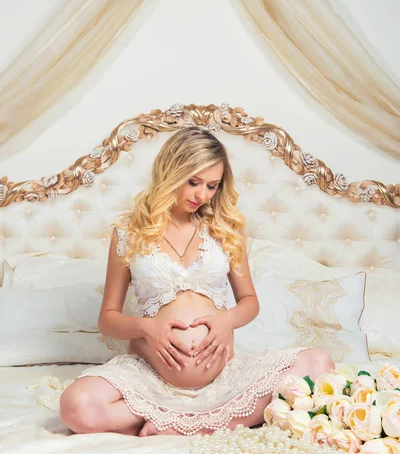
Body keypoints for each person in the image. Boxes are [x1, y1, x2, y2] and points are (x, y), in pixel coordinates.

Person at [59, 126, 335, 437]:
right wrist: (145, 327)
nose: (201, 195)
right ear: (171, 172)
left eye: (212, 186)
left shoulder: (225, 229)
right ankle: (192, 418)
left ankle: (195, 424)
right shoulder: (128, 231)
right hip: (151, 377)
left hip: (224, 377)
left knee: (318, 364)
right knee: (75, 406)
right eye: (193, 182)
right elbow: (107, 320)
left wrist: (225, 321)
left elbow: (249, 302)